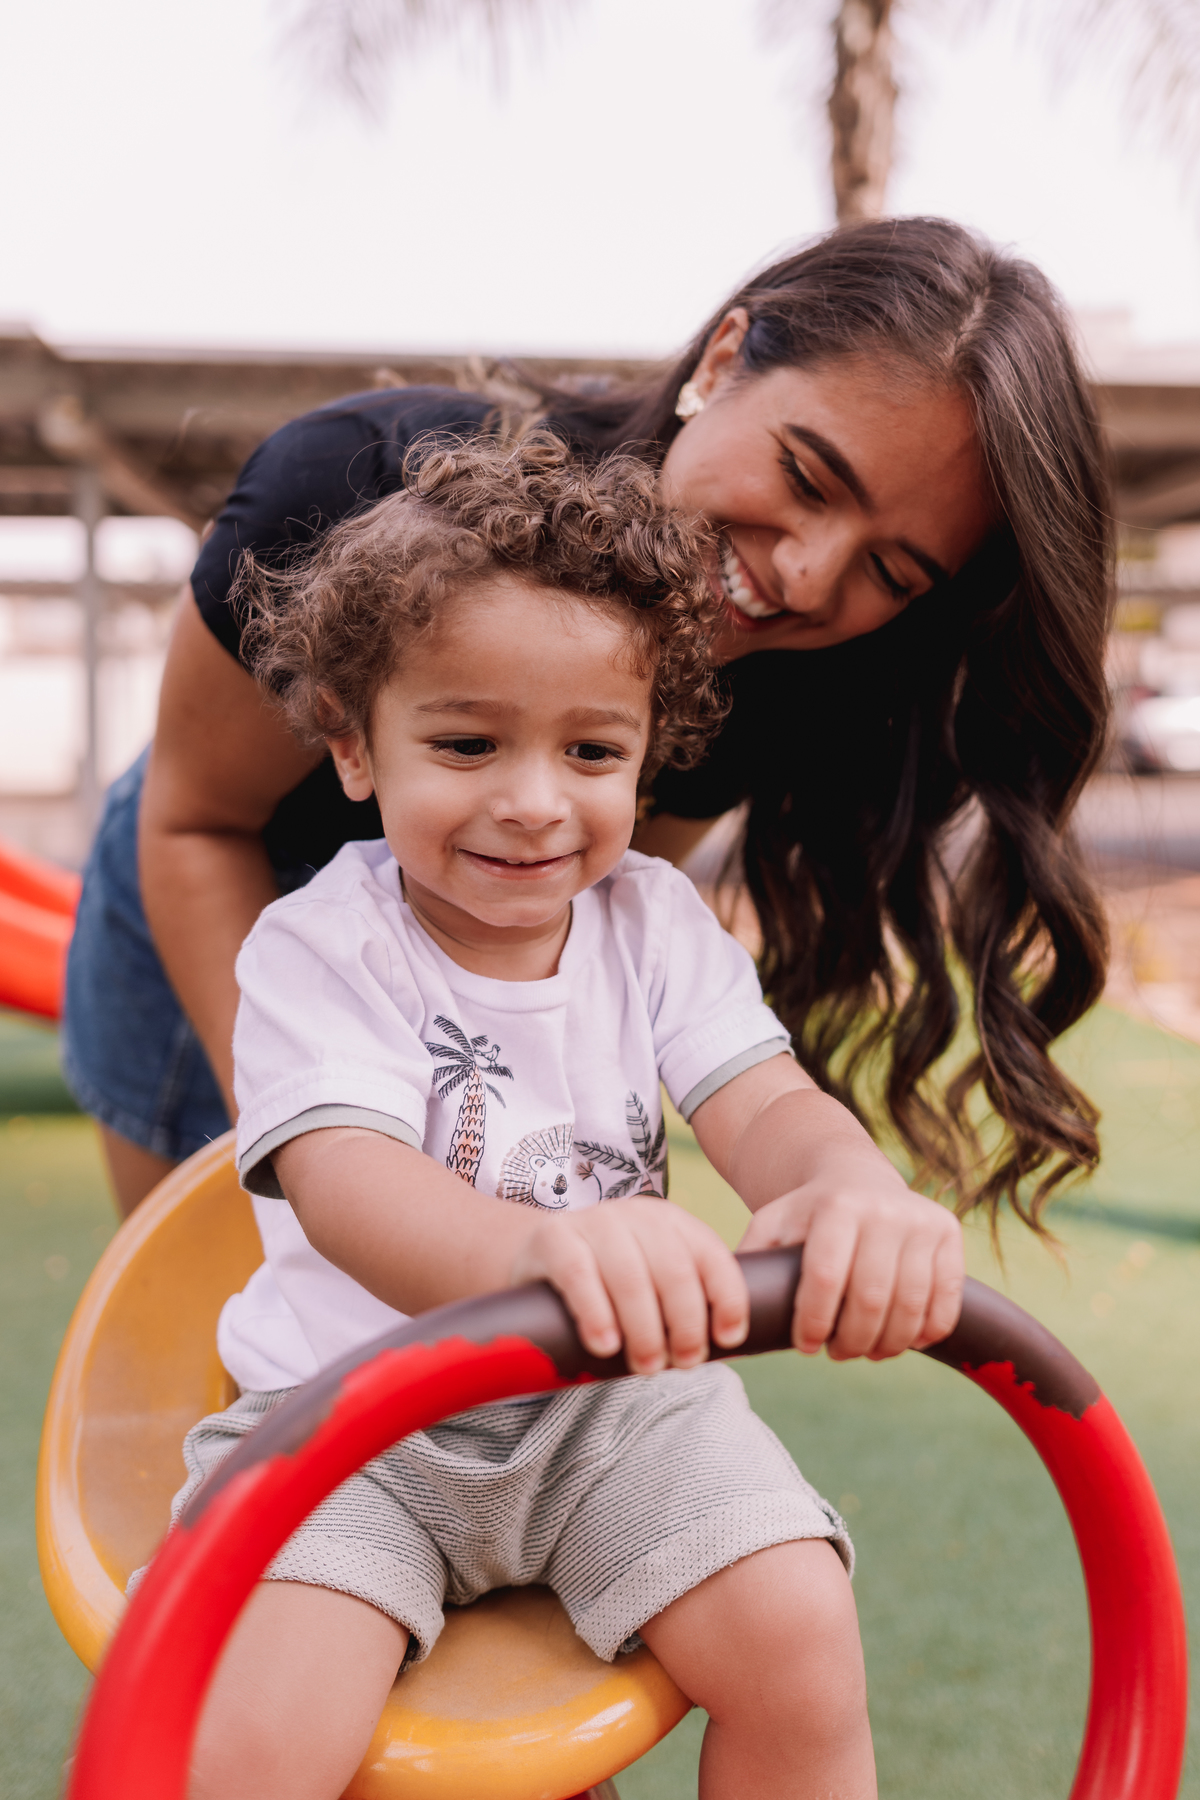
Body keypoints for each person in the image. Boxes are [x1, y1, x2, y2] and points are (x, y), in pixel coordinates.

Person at [156, 437, 961, 1800]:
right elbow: (346, 1182)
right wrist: (535, 1259)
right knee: (257, 1734)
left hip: (610, 1417)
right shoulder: (320, 945)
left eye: (591, 750)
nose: (533, 802)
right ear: (356, 742)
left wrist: (845, 1185)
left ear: (647, 755)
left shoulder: (652, 922)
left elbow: (764, 1099)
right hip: (353, 1421)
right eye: (467, 743)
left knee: (798, 1632)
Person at [62, 216, 1113, 1227]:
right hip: (221, 897)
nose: (804, 575)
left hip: (481, 934)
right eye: (806, 476)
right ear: (723, 359)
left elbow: (576, 916)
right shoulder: (349, 484)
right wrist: (317, 1139)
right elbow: (197, 821)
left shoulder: (772, 674)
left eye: (891, 571)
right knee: (230, 1317)